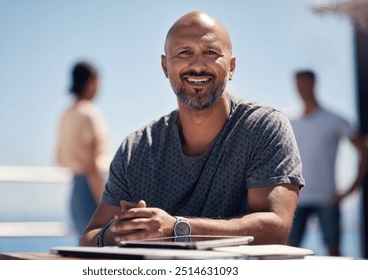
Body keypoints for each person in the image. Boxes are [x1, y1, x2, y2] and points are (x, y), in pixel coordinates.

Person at [80, 11, 304, 247]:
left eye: (210, 53)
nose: (197, 65)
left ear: (231, 67)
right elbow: (88, 238)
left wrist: (177, 228)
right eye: (184, 53)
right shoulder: (135, 149)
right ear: (165, 66)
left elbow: (275, 228)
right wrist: (124, 230)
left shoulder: (264, 128)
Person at [287, 70, 368, 256]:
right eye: (298, 84)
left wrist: (351, 189)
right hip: (296, 199)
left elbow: (363, 150)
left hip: (327, 197)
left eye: (305, 83)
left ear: (314, 83)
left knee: (334, 251)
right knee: (288, 251)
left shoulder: (334, 120)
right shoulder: (289, 121)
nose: (301, 89)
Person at [56, 61, 111, 237]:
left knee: (84, 246)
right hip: (92, 187)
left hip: (75, 189)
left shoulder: (66, 113)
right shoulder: (89, 113)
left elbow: (59, 156)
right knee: (100, 248)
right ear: (90, 82)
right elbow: (92, 163)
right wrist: (106, 200)